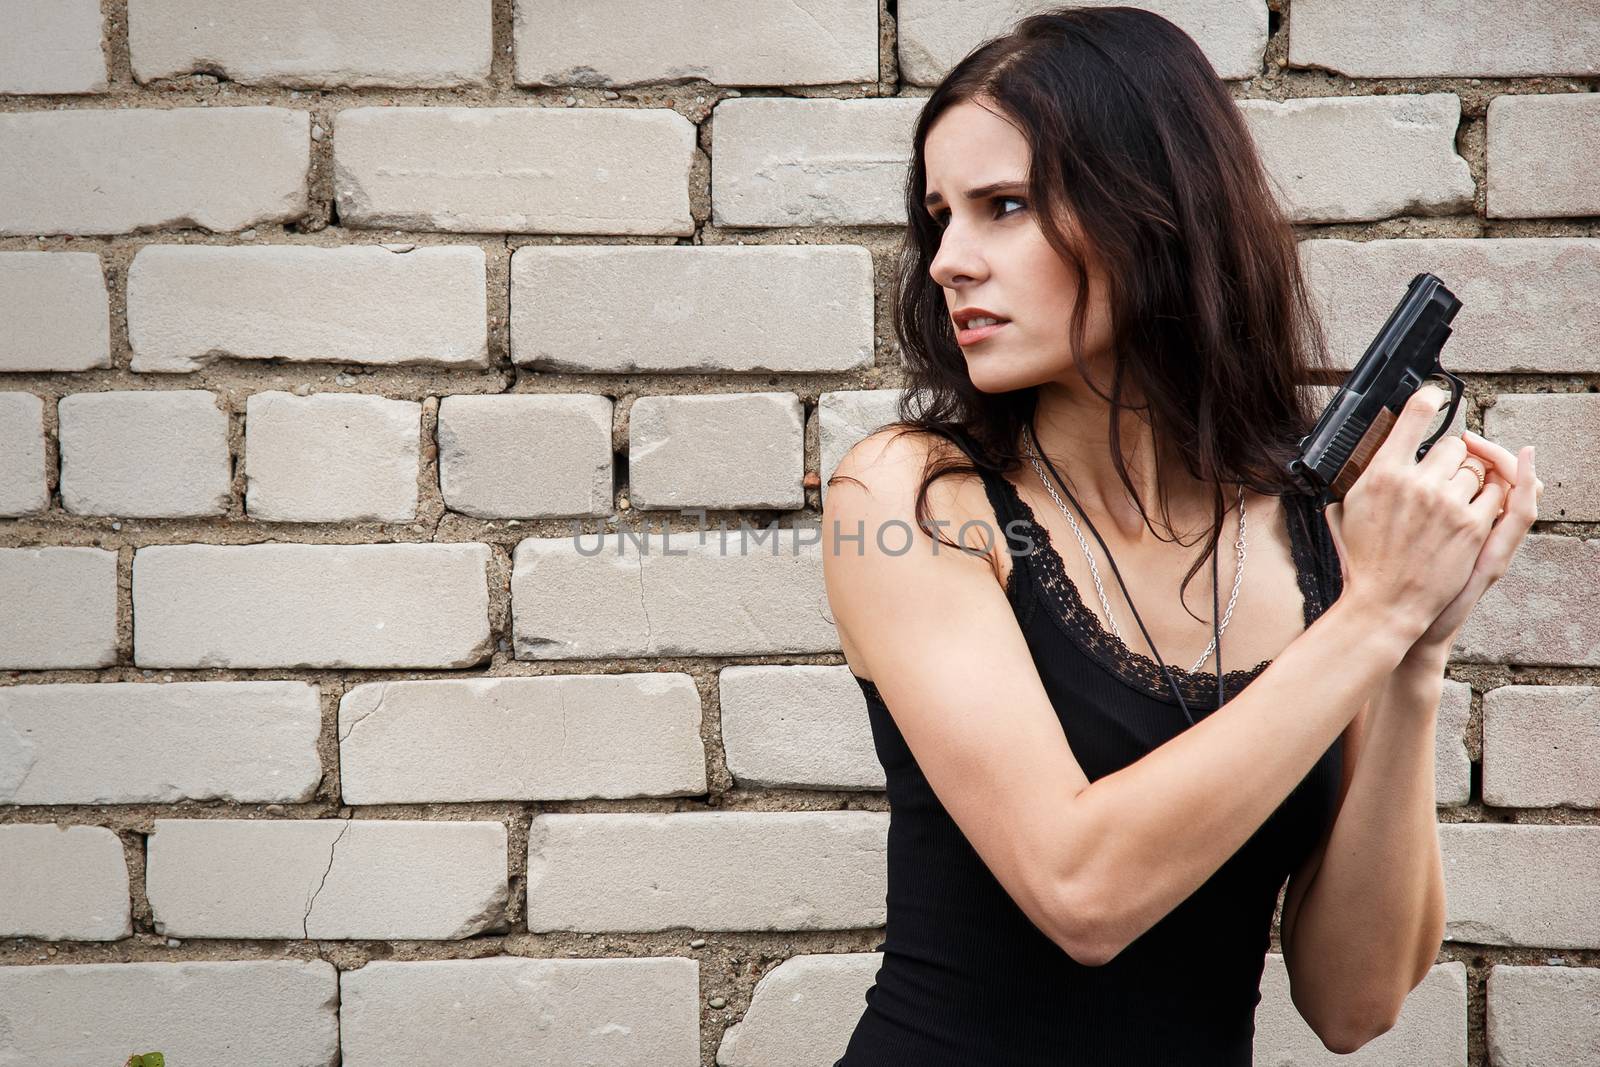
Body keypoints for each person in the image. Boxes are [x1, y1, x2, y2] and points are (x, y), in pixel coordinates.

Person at [820, 6, 1543, 1064]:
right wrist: (1374, 609)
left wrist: (1413, 648)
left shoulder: (1313, 527)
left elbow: (1352, 1000)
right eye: (941, 216)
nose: (947, 261)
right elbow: (1081, 889)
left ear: (1151, 211)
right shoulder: (910, 494)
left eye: (1004, 206)